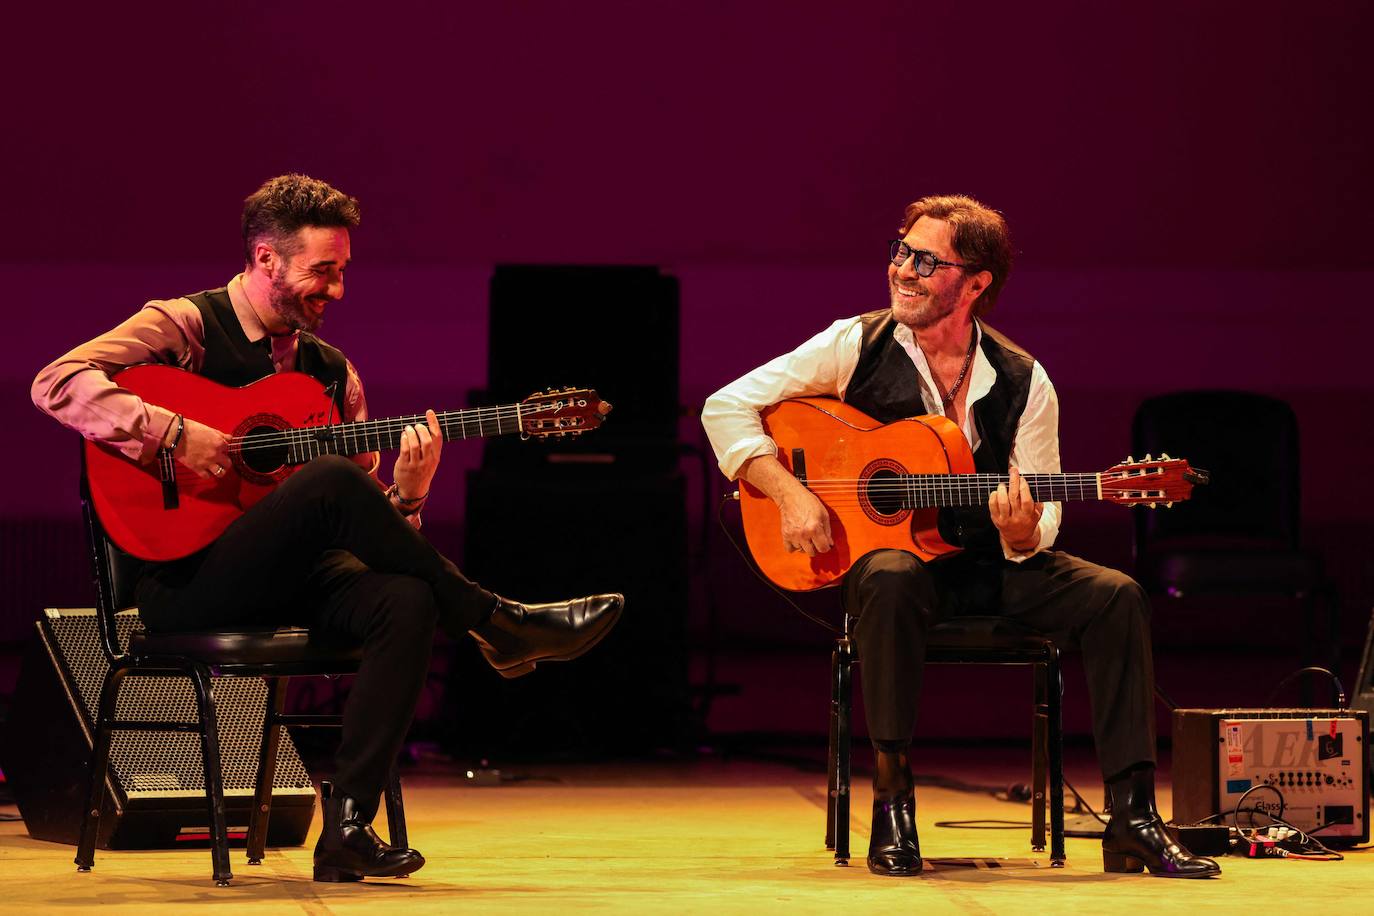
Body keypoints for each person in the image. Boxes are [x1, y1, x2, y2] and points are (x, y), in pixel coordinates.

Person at [31, 173, 623, 883]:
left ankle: (346, 829)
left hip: (290, 579)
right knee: (334, 478)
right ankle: (496, 620)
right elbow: (56, 381)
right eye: (322, 272)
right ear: (265, 259)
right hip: (186, 580)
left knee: (406, 601)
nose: (336, 291)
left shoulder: (331, 372)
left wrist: (406, 498)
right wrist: (170, 431)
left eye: (342, 273)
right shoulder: (187, 325)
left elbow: (350, 523)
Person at [701, 194, 1219, 879]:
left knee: (1115, 595)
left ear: (975, 284)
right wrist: (789, 492)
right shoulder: (855, 344)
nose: (902, 271)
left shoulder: (1025, 380)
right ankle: (893, 806)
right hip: (896, 575)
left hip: (990, 565)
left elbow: (1045, 510)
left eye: (925, 261)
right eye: (899, 251)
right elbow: (726, 404)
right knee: (888, 574)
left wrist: (1023, 527)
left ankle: (1132, 817)